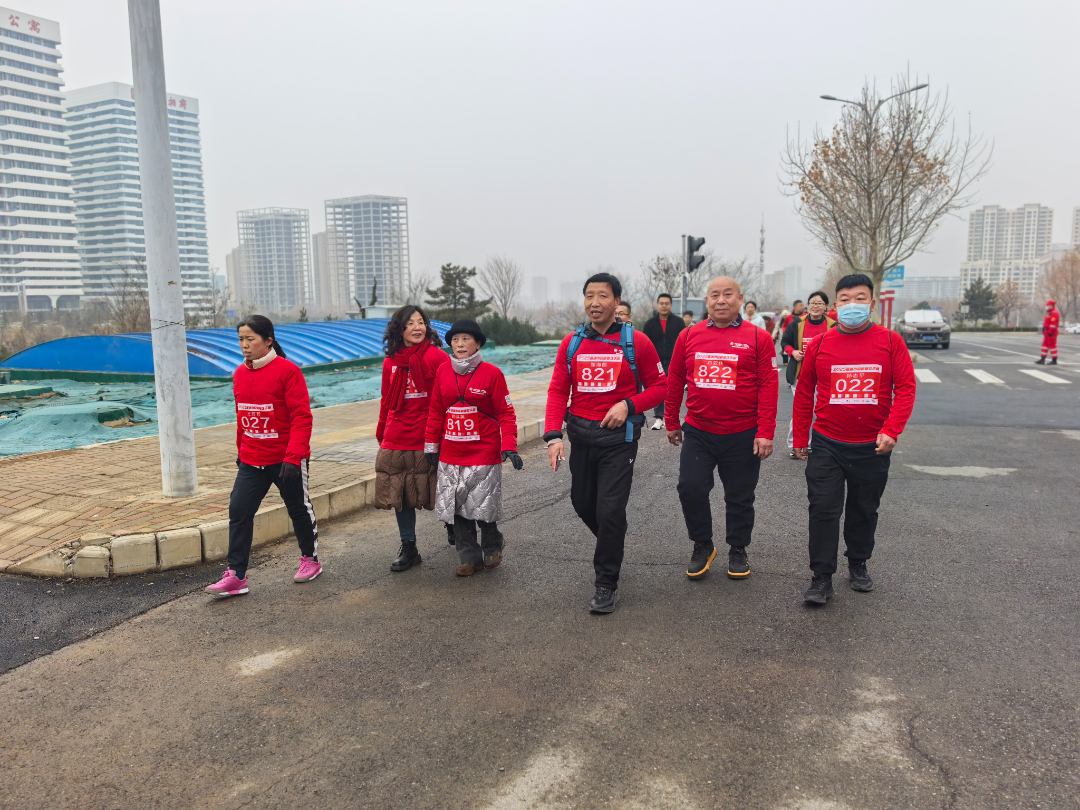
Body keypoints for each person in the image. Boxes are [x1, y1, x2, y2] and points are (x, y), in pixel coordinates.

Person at [544, 272, 667, 613]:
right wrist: (554, 435)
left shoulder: (637, 342)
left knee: (609, 510)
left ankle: (605, 583)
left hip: (619, 441)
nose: (595, 302)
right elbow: (557, 391)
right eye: (589, 296)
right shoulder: (571, 343)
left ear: (616, 301)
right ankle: (612, 540)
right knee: (584, 504)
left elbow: (661, 386)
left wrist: (628, 405)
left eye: (603, 296)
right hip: (581, 438)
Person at [792, 274, 916, 605]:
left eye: (860, 298)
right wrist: (800, 435)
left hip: (872, 446)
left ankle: (858, 562)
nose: (852, 305)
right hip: (827, 443)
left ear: (871, 304)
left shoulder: (891, 342)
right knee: (822, 508)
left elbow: (905, 388)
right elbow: (805, 392)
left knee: (864, 508)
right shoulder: (820, 344)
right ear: (835, 306)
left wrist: (892, 429)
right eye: (845, 299)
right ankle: (821, 577)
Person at [665, 277, 778, 580]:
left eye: (728, 295)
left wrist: (766, 431)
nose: (721, 300)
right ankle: (702, 544)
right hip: (699, 432)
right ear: (707, 301)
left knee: (740, 495)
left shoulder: (758, 337)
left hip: (743, 433)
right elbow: (675, 380)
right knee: (690, 488)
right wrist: (672, 420)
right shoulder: (688, 336)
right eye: (715, 295)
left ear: (740, 299)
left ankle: (738, 548)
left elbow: (769, 386)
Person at [205, 316, 320, 597]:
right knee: (239, 511)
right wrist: (241, 450)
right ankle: (236, 575)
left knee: (298, 509)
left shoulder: (288, 371)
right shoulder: (239, 374)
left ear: (268, 340)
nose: (244, 345)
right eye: (241, 340)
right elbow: (243, 416)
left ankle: (310, 560)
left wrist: (294, 458)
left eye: (250, 339)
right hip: (251, 460)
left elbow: (302, 417)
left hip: (286, 461)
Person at [425, 320, 523, 576]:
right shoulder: (443, 372)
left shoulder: (492, 374)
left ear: (478, 343)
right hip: (451, 452)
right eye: (456, 340)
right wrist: (431, 447)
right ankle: (468, 556)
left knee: (483, 504)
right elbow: (435, 412)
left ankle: (492, 543)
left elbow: (506, 413)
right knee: (457, 506)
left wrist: (509, 445)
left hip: (484, 451)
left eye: (466, 339)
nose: (460, 344)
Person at [374, 305, 452, 572]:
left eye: (421, 322)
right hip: (398, 435)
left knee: (443, 487)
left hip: (430, 434)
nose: (417, 327)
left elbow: (449, 398)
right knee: (400, 493)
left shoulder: (438, 357)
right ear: (400, 329)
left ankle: (454, 525)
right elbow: (386, 401)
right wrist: (381, 430)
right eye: (410, 323)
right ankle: (409, 547)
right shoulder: (390, 362)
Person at [781, 291, 836, 457]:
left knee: (818, 411)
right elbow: (785, 342)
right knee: (802, 410)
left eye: (819, 303)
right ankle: (795, 444)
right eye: (812, 303)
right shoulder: (796, 323)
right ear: (808, 305)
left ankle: (811, 443)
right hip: (800, 374)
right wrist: (793, 352)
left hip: (824, 376)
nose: (815, 306)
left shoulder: (833, 326)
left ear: (826, 306)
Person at [642, 293, 686, 430]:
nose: (664, 306)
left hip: (674, 360)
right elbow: (646, 343)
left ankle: (671, 417)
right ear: (657, 305)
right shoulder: (650, 324)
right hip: (656, 361)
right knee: (659, 389)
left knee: (672, 389)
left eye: (667, 303)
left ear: (671, 305)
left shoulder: (678, 322)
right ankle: (659, 418)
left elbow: (684, 341)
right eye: (661, 303)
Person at [1036, 300, 1060, 365]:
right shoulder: (1049, 313)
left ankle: (1054, 360)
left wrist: (1051, 332)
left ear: (1051, 305)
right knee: (1045, 346)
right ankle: (1042, 359)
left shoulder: (1054, 313)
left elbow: (1053, 323)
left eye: (1047, 305)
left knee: (1052, 346)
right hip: (1047, 331)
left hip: (1051, 332)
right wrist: (1044, 329)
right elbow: (1047, 322)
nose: (1046, 306)